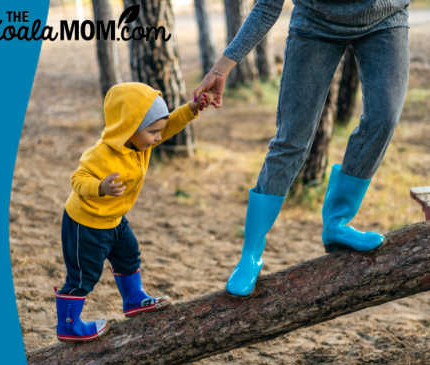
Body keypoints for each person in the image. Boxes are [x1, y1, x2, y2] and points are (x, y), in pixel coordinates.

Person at [193, 0, 410, 296]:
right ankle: (251, 255)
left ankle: (338, 223)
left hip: (386, 18)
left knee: (383, 120)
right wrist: (222, 68)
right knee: (291, 140)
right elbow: (267, 7)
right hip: (315, 24)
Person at [55, 82, 209, 341]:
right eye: (153, 132)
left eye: (158, 131)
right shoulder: (100, 154)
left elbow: (168, 125)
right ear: (128, 128)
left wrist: (192, 108)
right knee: (84, 275)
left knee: (128, 254)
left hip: (114, 219)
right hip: (87, 223)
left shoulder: (141, 143)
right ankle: (68, 325)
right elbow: (77, 179)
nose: (159, 137)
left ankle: (134, 299)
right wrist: (99, 187)